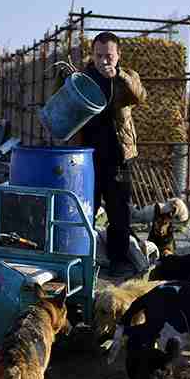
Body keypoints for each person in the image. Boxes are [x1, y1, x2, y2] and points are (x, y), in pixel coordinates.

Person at [76, 32, 147, 278]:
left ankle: (118, 260)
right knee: (86, 208)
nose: (104, 60)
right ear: (92, 54)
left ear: (118, 55)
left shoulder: (126, 77)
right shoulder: (83, 77)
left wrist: (120, 77)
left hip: (118, 155)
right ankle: (84, 258)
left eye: (109, 56)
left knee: (119, 212)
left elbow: (140, 96)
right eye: (99, 55)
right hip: (87, 157)